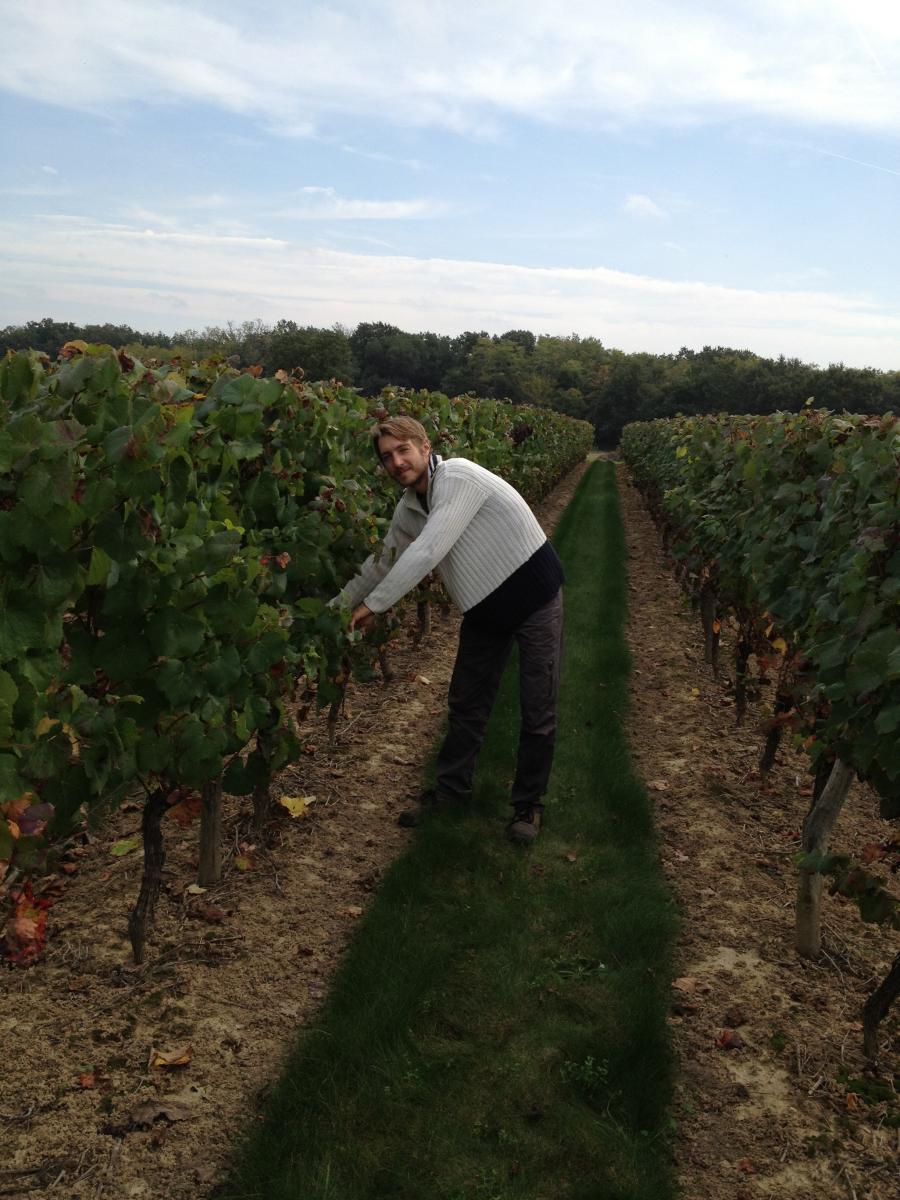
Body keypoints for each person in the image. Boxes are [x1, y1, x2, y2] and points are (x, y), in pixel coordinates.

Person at [335, 415, 564, 843]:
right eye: (387, 457)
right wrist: (334, 610)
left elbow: (430, 549)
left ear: (425, 447)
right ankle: (451, 791)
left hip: (534, 595)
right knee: (466, 702)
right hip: (484, 607)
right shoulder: (409, 507)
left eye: (403, 450)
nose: (397, 462)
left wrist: (375, 606)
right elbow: (381, 563)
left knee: (538, 705)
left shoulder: (458, 476)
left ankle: (527, 806)